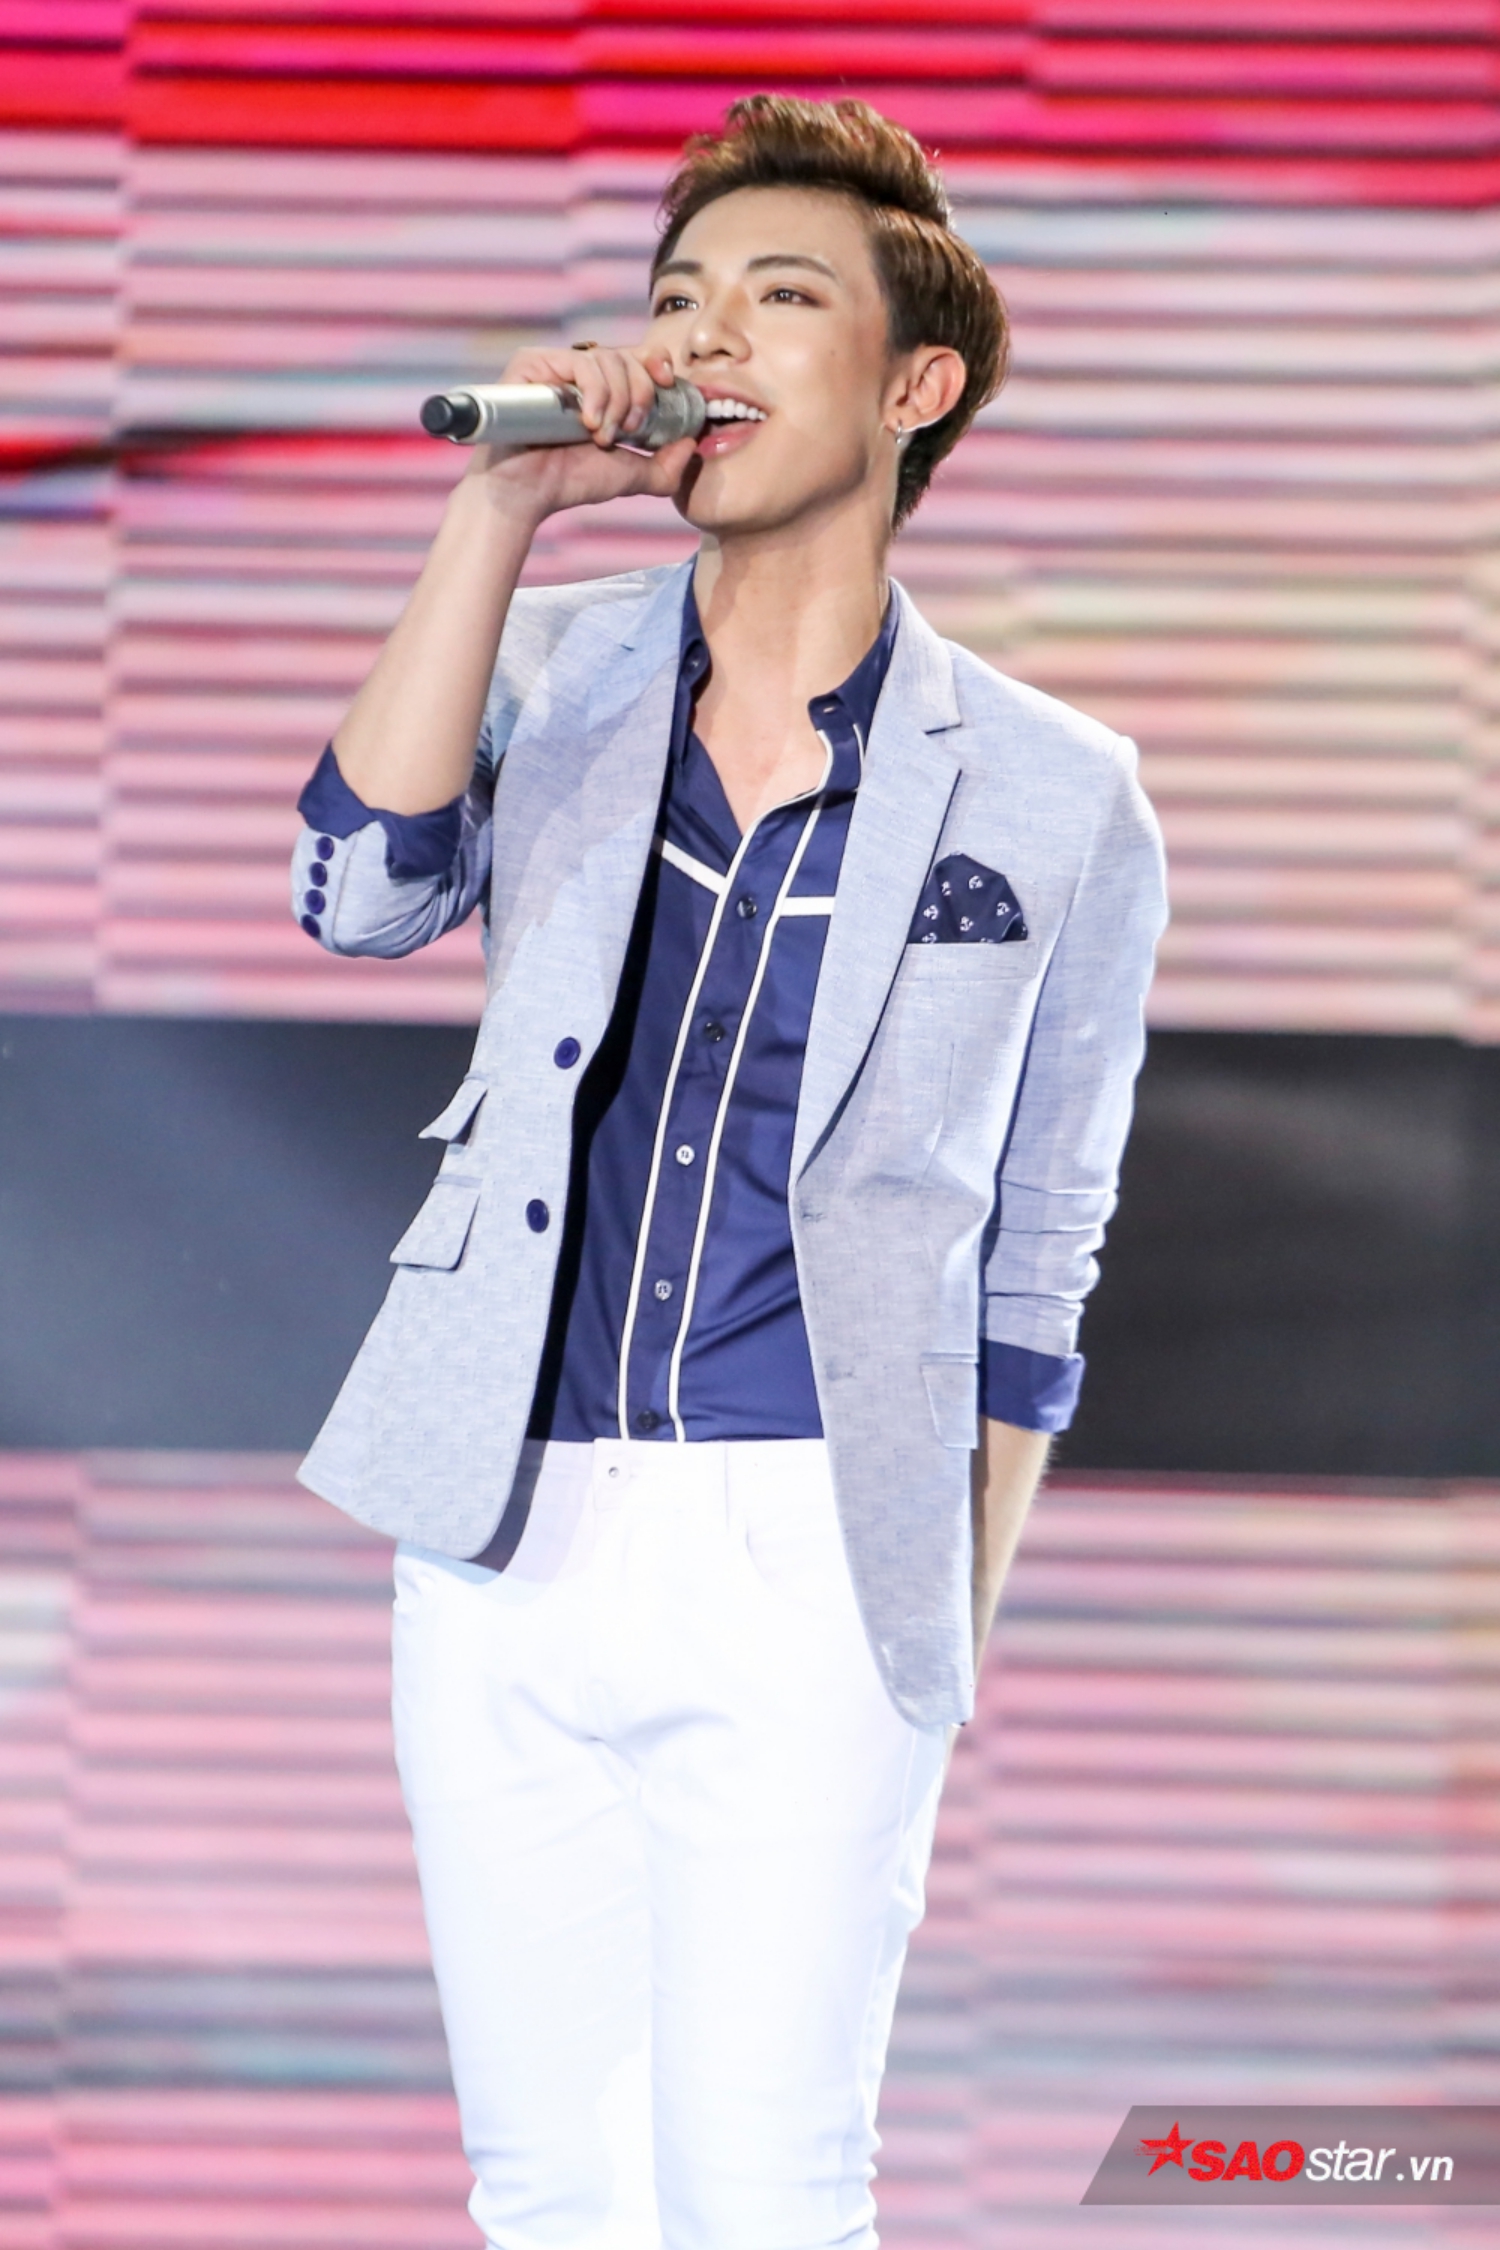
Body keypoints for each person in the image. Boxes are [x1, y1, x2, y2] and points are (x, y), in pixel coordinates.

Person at [290, 94, 1165, 2250]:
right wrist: (498, 512)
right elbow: (357, 897)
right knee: (550, 2187)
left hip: (816, 1536)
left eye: (781, 296)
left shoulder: (1058, 792)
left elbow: (1041, 1249)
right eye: (680, 294)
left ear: (913, 386)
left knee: (761, 2191)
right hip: (501, 1520)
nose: (705, 336)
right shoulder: (556, 668)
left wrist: (933, 1619)